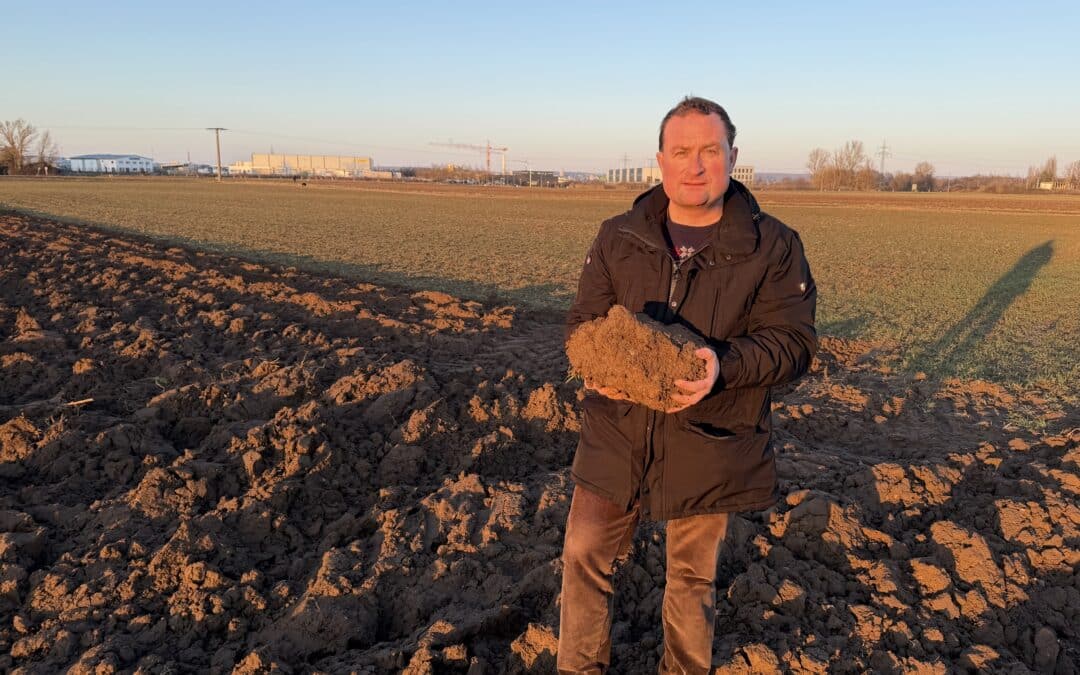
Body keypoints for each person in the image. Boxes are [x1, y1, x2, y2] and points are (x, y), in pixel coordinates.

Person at [558, 96, 817, 674]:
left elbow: (795, 345)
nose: (695, 165)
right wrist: (605, 370)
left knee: (691, 580)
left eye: (709, 151)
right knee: (582, 555)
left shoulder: (773, 246)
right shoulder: (618, 236)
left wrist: (722, 366)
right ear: (659, 160)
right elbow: (581, 325)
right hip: (617, 433)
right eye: (681, 152)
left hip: (711, 436)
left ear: (732, 157)